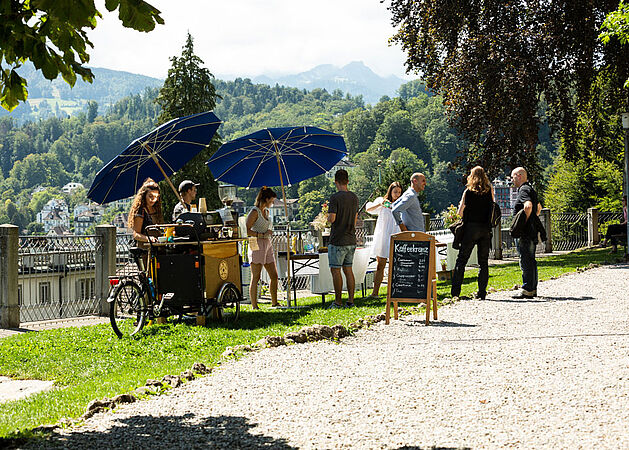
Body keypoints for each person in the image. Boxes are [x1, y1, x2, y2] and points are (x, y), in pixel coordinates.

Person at [450, 166, 494, 300]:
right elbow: (493, 207)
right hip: (485, 229)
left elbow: (460, 212)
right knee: (483, 262)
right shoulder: (489, 191)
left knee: (462, 260)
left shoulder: (468, 192)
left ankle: (455, 292)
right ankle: (482, 292)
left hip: (470, 228)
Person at [327, 169, 359, 308]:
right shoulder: (354, 197)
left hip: (338, 239)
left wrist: (326, 219)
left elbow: (332, 218)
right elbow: (356, 218)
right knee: (348, 270)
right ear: (347, 181)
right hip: (351, 238)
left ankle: (338, 301)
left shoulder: (335, 198)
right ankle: (351, 300)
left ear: (336, 182)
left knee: (336, 270)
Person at [365, 181, 402, 298]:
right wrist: (380, 204)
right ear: (390, 191)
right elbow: (369, 209)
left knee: (395, 265)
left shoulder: (401, 204)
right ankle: (375, 292)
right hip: (383, 237)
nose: (397, 194)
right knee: (380, 265)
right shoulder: (383, 201)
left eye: (399, 192)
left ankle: (394, 291)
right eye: (395, 192)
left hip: (396, 235)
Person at [246, 186, 280, 309]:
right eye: (271, 201)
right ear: (265, 199)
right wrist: (261, 235)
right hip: (256, 243)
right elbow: (248, 230)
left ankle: (274, 302)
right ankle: (254, 306)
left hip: (267, 243)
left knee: (274, 275)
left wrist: (268, 232)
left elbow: (267, 227)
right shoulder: (254, 212)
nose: (272, 203)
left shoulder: (266, 211)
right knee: (256, 276)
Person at [511, 167, 542, 299]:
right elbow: (538, 207)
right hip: (532, 231)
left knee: (525, 260)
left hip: (525, 232)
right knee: (531, 259)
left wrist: (523, 223)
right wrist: (533, 219)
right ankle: (532, 288)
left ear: (519, 176)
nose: (511, 180)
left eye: (512, 177)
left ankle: (527, 289)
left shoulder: (523, 189)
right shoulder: (531, 189)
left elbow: (528, 206)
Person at [128, 178, 164, 245]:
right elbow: (136, 234)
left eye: (156, 197)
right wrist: (148, 238)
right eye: (151, 196)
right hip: (143, 248)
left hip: (156, 247)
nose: (154, 200)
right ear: (144, 195)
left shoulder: (156, 209)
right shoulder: (140, 210)